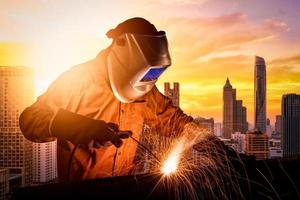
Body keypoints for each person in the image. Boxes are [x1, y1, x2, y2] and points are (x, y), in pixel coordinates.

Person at [19, 17, 202, 182]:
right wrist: (74, 126)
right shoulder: (78, 80)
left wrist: (207, 142)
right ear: (124, 53)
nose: (147, 80)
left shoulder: (145, 90)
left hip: (123, 190)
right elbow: (30, 120)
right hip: (80, 193)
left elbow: (173, 121)